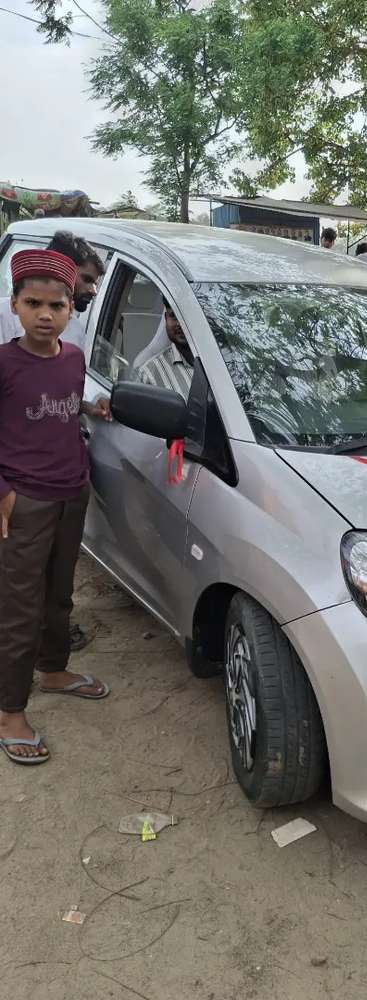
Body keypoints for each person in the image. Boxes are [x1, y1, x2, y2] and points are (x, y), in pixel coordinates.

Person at [0, 249, 112, 764]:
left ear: (71, 308)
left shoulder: (73, 358)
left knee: (60, 594)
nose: (45, 315)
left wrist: (91, 405)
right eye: (33, 304)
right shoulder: (5, 363)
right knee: (19, 608)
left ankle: (53, 669)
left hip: (72, 490)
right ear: (15, 306)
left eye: (56, 305)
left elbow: (58, 407)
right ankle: (10, 711)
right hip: (25, 500)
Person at [0, 231, 105, 352]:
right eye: (87, 279)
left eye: (95, 283)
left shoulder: (76, 331)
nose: (94, 291)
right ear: (59, 269)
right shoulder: (4, 315)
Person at [136, 299, 194, 398]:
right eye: (173, 316)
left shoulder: (220, 359)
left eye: (186, 316)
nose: (180, 324)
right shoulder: (149, 374)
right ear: (166, 318)